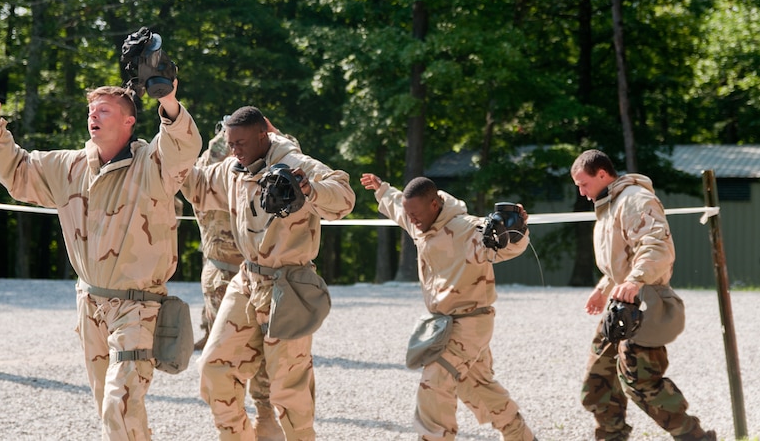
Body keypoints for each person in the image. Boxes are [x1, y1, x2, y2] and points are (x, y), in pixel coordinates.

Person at [0, 81, 202, 440]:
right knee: (107, 407)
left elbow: (183, 146)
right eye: (91, 111)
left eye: (104, 111)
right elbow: (18, 171)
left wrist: (168, 99)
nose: (93, 116)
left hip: (137, 306)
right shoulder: (69, 166)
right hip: (90, 305)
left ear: (129, 122)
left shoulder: (152, 165)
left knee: (119, 403)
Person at [181, 106, 355, 441]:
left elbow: (345, 198)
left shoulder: (294, 163)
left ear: (265, 136)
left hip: (288, 286)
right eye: (230, 144)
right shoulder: (234, 168)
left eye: (241, 143)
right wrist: (167, 151)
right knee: (214, 370)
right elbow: (199, 187)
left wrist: (309, 190)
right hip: (247, 280)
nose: (235, 151)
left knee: (289, 393)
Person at [360, 174, 536, 441]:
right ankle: (520, 436)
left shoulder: (467, 229)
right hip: (444, 323)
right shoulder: (418, 218)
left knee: (436, 379)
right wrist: (382, 189)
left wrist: (518, 230)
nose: (412, 220)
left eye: (417, 214)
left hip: (471, 322)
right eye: (410, 215)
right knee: (476, 386)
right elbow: (399, 206)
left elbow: (505, 248)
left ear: (434, 205)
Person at [571, 149, 716, 441]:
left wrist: (635, 281)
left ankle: (694, 438)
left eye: (584, 184)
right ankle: (611, 435)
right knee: (598, 380)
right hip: (621, 302)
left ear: (602, 174)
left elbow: (656, 247)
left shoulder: (635, 199)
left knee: (641, 382)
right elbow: (621, 261)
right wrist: (603, 290)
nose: (582, 192)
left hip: (645, 303)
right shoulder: (610, 204)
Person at [192, 120, 284, 440]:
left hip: (246, 273)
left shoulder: (212, 168)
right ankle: (257, 419)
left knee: (235, 357)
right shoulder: (235, 168)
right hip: (229, 273)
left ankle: (252, 421)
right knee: (244, 356)